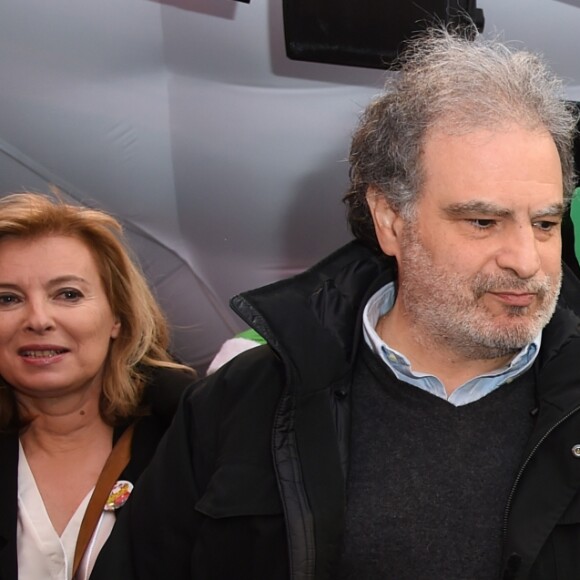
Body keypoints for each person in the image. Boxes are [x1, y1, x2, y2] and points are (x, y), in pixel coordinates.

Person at [91, 26, 580, 580]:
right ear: (391, 220)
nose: (526, 258)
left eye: (545, 223)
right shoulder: (238, 402)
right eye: (482, 221)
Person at [0, 192, 196, 580]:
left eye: (68, 294)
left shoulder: (192, 442)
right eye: (7, 298)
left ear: (117, 317)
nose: (38, 319)